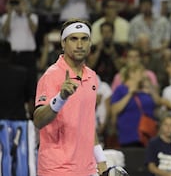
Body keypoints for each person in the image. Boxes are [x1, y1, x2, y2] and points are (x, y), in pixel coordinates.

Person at [33, 18, 107, 175]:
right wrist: (60, 98)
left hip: (86, 168)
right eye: (73, 39)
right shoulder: (51, 76)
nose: (79, 45)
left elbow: (87, 121)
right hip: (57, 169)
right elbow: (38, 120)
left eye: (84, 39)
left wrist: (100, 159)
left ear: (90, 43)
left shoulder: (92, 77)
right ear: (63, 43)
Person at [0, 40, 36, 176]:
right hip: (19, 125)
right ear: (10, 54)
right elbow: (31, 101)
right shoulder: (23, 73)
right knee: (21, 164)